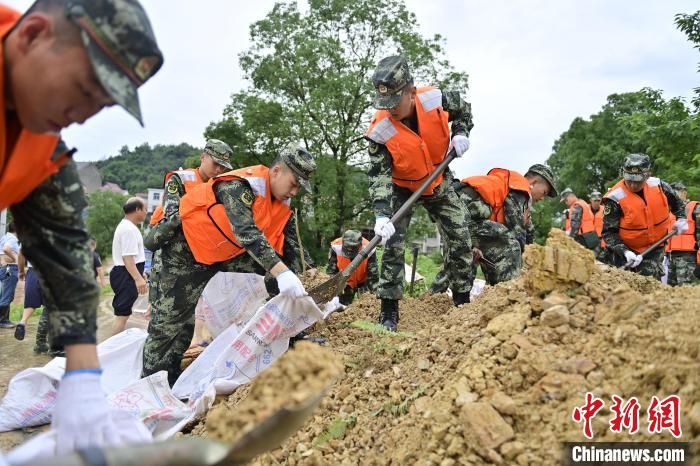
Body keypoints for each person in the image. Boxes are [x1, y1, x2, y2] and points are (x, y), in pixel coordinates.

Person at [0, 0, 163, 452]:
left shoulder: (40, 148)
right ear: (33, 35)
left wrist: (85, 378)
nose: (83, 115)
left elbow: (66, 255)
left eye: (101, 104)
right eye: (84, 88)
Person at [142, 145, 316, 385]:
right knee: (171, 326)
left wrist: (307, 271)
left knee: (276, 276)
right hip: (184, 252)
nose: (295, 192)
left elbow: (291, 244)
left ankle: (292, 337)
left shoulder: (280, 202)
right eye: (294, 184)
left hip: (223, 251)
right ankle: (153, 386)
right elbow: (248, 233)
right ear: (276, 171)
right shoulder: (240, 185)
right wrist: (283, 273)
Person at [364, 55, 474, 332]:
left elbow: (464, 110)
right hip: (402, 187)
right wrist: (381, 213)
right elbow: (379, 175)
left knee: (460, 234)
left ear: (411, 91)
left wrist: (461, 132)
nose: (389, 110)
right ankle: (389, 311)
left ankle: (462, 301)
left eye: (394, 103)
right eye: (383, 104)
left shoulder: (434, 99)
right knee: (393, 244)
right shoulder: (380, 129)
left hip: (437, 178)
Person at [432, 164, 557, 290]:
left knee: (463, 258)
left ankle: (434, 300)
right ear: (534, 182)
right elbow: (517, 232)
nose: (542, 198)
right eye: (544, 192)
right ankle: (506, 295)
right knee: (511, 246)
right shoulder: (520, 190)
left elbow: (528, 231)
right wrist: (527, 266)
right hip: (460, 214)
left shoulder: (514, 193)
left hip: (452, 212)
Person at [602, 154, 687, 279]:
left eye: (637, 180)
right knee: (623, 287)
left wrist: (681, 219)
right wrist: (625, 251)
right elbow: (608, 233)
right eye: (629, 179)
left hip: (654, 247)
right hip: (624, 252)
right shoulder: (614, 198)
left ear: (647, 175)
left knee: (650, 284)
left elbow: (678, 203)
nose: (632, 184)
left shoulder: (660, 186)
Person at [144, 138, 234, 252]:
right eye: (216, 163)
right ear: (203, 157)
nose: (219, 170)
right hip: (169, 244)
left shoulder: (219, 187)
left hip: (200, 248)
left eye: (223, 167)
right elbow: (171, 215)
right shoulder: (180, 179)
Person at [110, 197, 147, 335]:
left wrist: (140, 274)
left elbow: (133, 258)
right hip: (125, 274)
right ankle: (112, 349)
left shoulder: (129, 227)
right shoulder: (128, 229)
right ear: (137, 209)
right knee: (122, 315)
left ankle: (114, 347)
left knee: (123, 314)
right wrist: (138, 279)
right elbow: (127, 258)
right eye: (145, 209)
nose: (146, 213)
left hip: (126, 272)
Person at [327, 230, 378, 305]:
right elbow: (331, 271)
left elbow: (373, 276)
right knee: (340, 307)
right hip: (344, 282)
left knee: (366, 305)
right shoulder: (336, 246)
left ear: (360, 245)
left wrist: (374, 297)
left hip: (364, 281)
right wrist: (334, 289)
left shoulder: (369, 248)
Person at [665, 182, 699, 286]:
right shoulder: (669, 211)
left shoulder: (695, 208)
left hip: (688, 258)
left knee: (687, 290)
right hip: (671, 257)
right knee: (672, 291)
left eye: (675, 192)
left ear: (684, 193)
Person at [0, 222, 19, 328]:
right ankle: (2, 321)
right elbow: (6, 249)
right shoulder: (12, 238)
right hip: (10, 268)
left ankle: (5, 319)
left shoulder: (5, 237)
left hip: (5, 268)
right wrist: (16, 259)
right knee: (7, 296)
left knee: (4, 295)